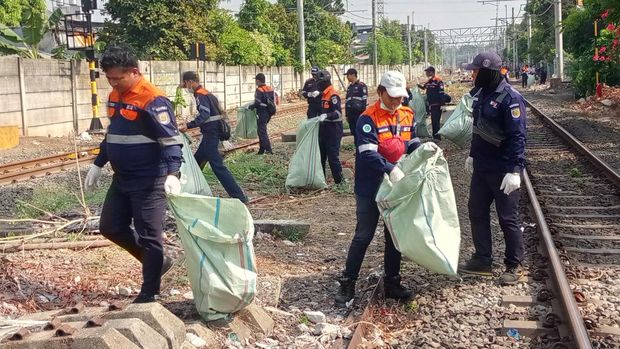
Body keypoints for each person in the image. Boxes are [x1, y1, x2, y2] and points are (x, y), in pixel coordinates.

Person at [84, 45, 182, 303]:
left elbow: (171, 141)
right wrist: (98, 162)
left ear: (134, 72)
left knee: (150, 235)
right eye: (110, 78)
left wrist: (174, 173)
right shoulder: (115, 95)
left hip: (150, 179)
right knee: (110, 226)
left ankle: (150, 292)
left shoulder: (153, 99)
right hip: (122, 177)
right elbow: (113, 133)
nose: (114, 83)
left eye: (118, 78)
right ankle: (157, 262)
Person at [335, 71, 423, 307]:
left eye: (400, 97)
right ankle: (347, 282)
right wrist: (390, 169)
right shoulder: (368, 118)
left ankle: (392, 282)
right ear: (380, 92)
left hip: (396, 186)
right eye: (392, 97)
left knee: (394, 235)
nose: (396, 102)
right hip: (370, 185)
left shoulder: (407, 114)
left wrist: (423, 151)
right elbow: (367, 154)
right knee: (364, 234)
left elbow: (411, 141)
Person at [460, 52, 527, 285]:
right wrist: (471, 155)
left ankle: (514, 265)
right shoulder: (482, 94)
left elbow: (518, 136)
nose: (472, 74)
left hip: (503, 169)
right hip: (482, 167)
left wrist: (515, 170)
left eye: (476, 70)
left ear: (488, 71)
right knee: (476, 211)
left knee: (507, 217)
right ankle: (482, 259)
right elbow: (478, 128)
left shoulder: (510, 98)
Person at [179, 71, 248, 203]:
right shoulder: (207, 93)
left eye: (185, 84)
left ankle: (239, 196)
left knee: (218, 167)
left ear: (190, 82)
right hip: (210, 134)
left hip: (211, 134)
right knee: (196, 162)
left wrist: (188, 125)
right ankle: (190, 191)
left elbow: (204, 115)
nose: (185, 87)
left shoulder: (200, 95)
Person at [314, 70, 344, 184]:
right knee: (321, 156)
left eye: (320, 82)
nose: (318, 84)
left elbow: (338, 113)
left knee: (333, 157)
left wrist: (327, 115)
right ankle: (322, 180)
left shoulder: (333, 95)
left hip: (333, 130)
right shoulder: (324, 95)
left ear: (325, 82)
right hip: (324, 130)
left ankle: (339, 182)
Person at [418, 66, 448, 140]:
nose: (426, 73)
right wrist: (417, 86)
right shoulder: (429, 82)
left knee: (436, 121)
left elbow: (441, 93)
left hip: (437, 105)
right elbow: (424, 87)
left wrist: (443, 104)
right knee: (433, 120)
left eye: (428, 72)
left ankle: (437, 137)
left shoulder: (438, 81)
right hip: (431, 105)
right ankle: (435, 136)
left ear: (432, 72)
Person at [248, 73, 275, 155]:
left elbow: (257, 102)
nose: (255, 82)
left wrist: (251, 107)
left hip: (262, 113)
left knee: (262, 132)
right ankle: (261, 150)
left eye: (256, 80)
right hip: (269, 112)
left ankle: (269, 150)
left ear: (258, 81)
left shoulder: (259, 90)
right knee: (261, 131)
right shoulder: (270, 88)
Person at [344, 68, 368, 145]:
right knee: (354, 132)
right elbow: (347, 101)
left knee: (360, 132)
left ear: (353, 75)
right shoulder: (349, 87)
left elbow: (364, 100)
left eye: (348, 75)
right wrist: (347, 114)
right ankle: (357, 149)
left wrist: (363, 113)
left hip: (358, 113)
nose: (347, 77)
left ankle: (360, 149)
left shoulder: (361, 86)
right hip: (351, 114)